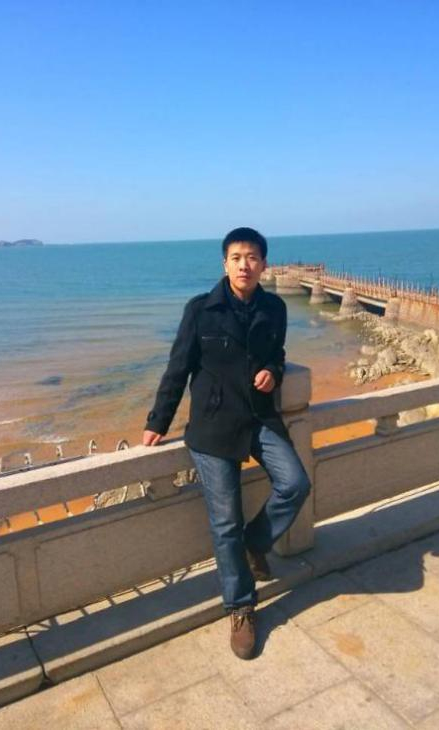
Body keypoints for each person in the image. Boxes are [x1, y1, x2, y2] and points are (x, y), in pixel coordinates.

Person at [142, 227, 311, 659]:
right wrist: (158, 421)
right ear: (225, 264)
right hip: (214, 426)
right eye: (236, 257)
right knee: (225, 524)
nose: (244, 265)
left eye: (252, 257)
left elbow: (278, 353)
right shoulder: (201, 310)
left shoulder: (274, 308)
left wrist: (274, 371)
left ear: (264, 265)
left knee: (295, 483)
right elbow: (177, 368)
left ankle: (256, 542)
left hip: (259, 418)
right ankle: (240, 607)